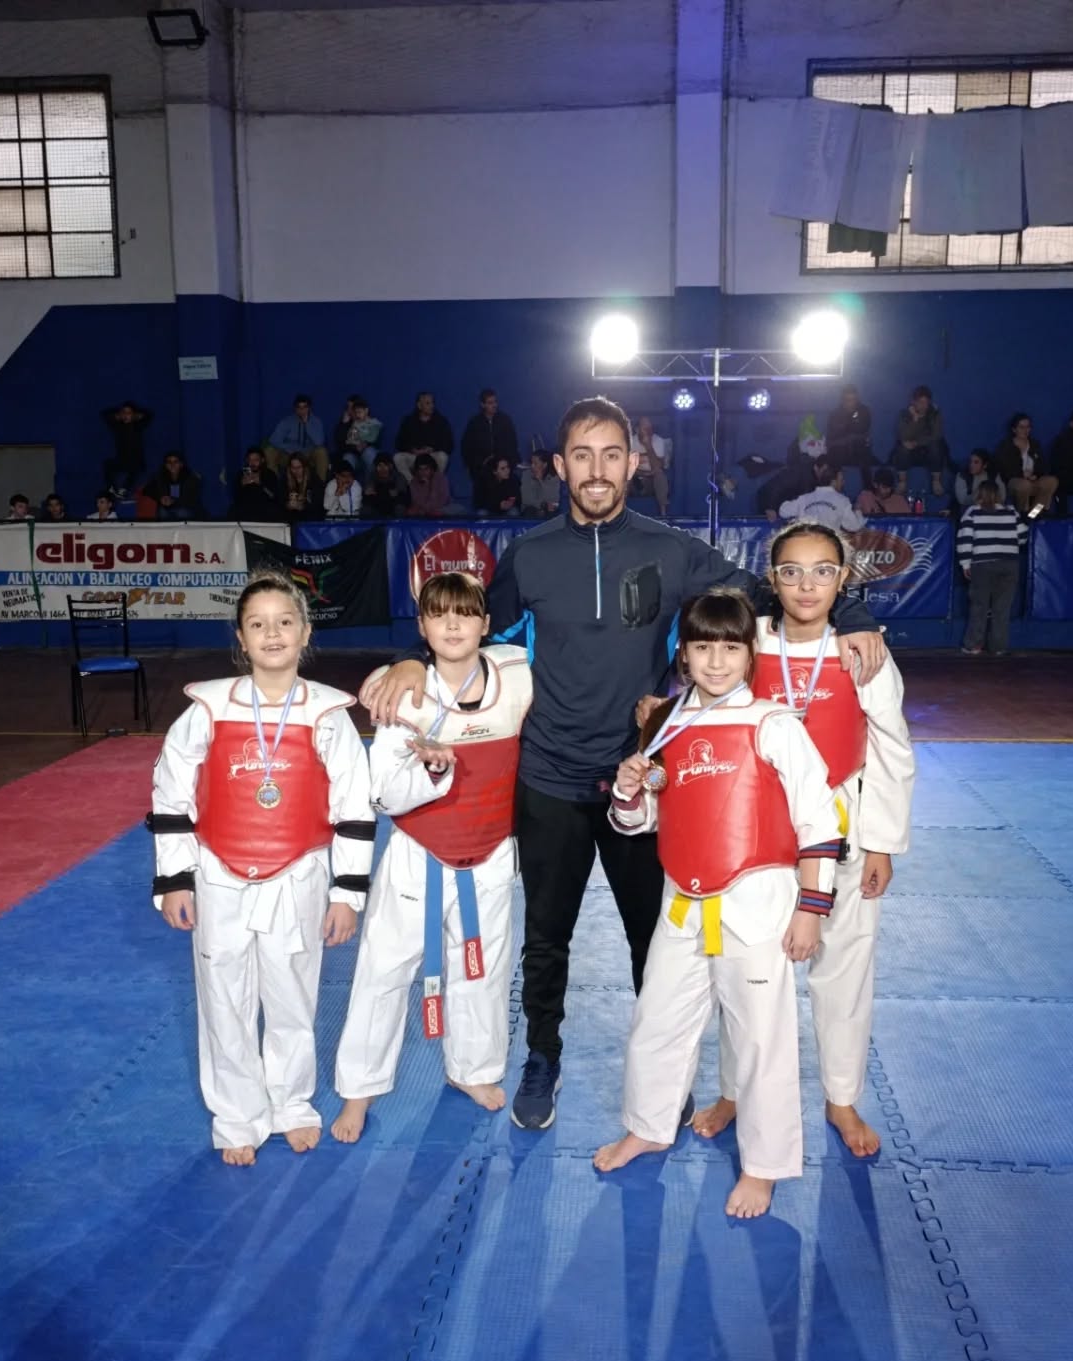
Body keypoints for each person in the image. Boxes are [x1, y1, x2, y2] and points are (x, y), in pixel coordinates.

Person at [361, 396, 887, 1131]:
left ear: (634, 463)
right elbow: (466, 630)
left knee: (655, 939)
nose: (597, 470)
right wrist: (412, 661)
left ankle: (664, 1075)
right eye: (582, 456)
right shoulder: (531, 555)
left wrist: (854, 615)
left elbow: (772, 590)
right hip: (549, 777)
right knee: (546, 938)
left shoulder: (672, 550)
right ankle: (542, 1056)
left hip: (643, 779)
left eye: (612, 454)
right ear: (559, 465)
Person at [593, 589, 843, 1218]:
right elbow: (641, 822)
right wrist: (628, 793)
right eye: (702, 647)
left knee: (760, 1038)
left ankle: (764, 1165)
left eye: (730, 648)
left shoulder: (773, 724)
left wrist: (811, 909)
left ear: (750, 654)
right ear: (683, 654)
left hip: (757, 902)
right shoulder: (667, 723)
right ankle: (649, 1125)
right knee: (657, 1020)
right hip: (682, 899)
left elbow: (820, 820)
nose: (715, 661)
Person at [692, 522, 915, 1162]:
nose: (807, 585)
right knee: (746, 966)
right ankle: (734, 1089)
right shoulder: (749, 641)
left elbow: (893, 749)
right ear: (772, 580)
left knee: (845, 966)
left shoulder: (861, 651)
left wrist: (881, 843)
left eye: (823, 572)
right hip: (759, 825)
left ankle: (841, 1097)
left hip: (843, 823)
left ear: (843, 580)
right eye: (791, 571)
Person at [148, 570, 374, 1165]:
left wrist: (347, 892)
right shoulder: (207, 709)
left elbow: (354, 806)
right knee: (223, 999)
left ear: (305, 633)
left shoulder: (328, 714)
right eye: (258, 624)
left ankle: (292, 1106)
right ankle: (237, 1116)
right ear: (241, 639)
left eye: (285, 622)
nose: (272, 634)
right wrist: (175, 880)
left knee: (293, 997)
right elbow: (171, 793)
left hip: (299, 874)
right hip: (217, 873)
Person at [333, 572, 533, 1142]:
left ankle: (473, 1069)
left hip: (491, 850)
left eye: (465, 613)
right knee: (383, 970)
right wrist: (432, 769)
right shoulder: (398, 693)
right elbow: (383, 794)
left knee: (483, 969)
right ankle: (359, 1089)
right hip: (418, 854)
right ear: (420, 627)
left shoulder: (517, 676)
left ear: (486, 624)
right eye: (438, 614)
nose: (452, 625)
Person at [958, 478, 1029, 655]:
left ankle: (974, 645)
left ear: (979, 494)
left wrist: (965, 564)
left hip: (982, 564)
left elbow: (965, 539)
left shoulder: (972, 512)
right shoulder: (1011, 512)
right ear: (999, 495)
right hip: (1009, 564)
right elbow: (1023, 537)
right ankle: (998, 647)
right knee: (1002, 609)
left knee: (979, 607)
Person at [461, 389, 521, 507]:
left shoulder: (505, 421)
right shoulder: (474, 423)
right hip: (482, 466)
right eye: (490, 403)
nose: (494, 405)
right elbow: (467, 447)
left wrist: (504, 461)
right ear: (482, 404)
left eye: (495, 402)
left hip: (503, 464)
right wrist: (479, 462)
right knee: (482, 507)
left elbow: (512, 444)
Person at [994, 413, 1059, 517]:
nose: (1025, 430)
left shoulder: (1034, 444)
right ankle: (1022, 514)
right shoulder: (1006, 446)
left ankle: (1034, 514)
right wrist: (1022, 474)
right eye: (1021, 427)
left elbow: (1043, 466)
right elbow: (1004, 469)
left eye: (1028, 427)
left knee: (1051, 481)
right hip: (1014, 482)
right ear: (1014, 429)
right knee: (1024, 485)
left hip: (1033, 480)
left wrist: (1036, 475)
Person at [891, 385, 947, 500]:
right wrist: (915, 419)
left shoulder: (934, 413)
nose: (924, 406)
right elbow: (903, 436)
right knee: (902, 448)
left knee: (936, 446)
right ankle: (902, 482)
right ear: (913, 402)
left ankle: (936, 481)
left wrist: (917, 442)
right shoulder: (904, 414)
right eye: (920, 402)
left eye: (926, 402)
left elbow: (936, 435)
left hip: (927, 450)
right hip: (911, 452)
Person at [778, 463, 864, 531]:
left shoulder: (804, 498)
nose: (843, 482)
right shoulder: (842, 500)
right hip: (828, 545)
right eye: (841, 480)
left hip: (806, 544)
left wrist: (797, 505)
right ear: (833, 482)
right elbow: (854, 526)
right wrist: (858, 510)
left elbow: (783, 511)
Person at [394, 392, 454, 485]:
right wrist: (412, 450)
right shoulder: (408, 421)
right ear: (419, 405)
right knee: (398, 458)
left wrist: (432, 449)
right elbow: (399, 442)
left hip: (431, 456)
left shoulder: (441, 421)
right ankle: (413, 485)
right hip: (414, 456)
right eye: (428, 403)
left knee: (442, 457)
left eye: (432, 403)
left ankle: (434, 484)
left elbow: (448, 443)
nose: (432, 406)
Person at [267, 395, 328, 486]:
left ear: (309, 408)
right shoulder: (287, 421)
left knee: (321, 452)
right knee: (270, 451)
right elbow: (273, 440)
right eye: (299, 407)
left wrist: (307, 424)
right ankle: (275, 485)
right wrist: (289, 448)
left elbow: (319, 442)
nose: (302, 410)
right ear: (295, 409)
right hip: (289, 454)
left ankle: (320, 486)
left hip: (308, 455)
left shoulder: (316, 422)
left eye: (305, 407)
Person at [825, 385, 874, 490]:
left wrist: (849, 429)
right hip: (841, 450)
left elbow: (862, 428)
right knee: (834, 454)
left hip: (858, 449)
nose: (851, 403)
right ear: (843, 400)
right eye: (848, 400)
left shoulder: (864, 411)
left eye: (854, 400)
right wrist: (850, 426)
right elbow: (835, 434)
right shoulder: (835, 414)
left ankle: (868, 491)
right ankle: (835, 491)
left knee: (864, 451)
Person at [102, 400, 152, 499]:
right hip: (122, 460)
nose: (126, 415)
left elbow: (149, 414)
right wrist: (117, 414)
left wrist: (138, 416)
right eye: (124, 413)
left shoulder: (138, 426)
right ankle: (111, 489)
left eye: (129, 413)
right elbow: (104, 414)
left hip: (136, 461)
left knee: (136, 468)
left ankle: (123, 490)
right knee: (107, 464)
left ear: (134, 414)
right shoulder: (117, 426)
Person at [141, 452, 204, 520]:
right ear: (165, 465)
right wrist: (160, 498)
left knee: (181, 513)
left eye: (175, 462)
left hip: (185, 508)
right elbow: (146, 490)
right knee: (162, 512)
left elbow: (191, 499)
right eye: (169, 462)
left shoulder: (190, 477)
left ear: (181, 464)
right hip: (167, 508)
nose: (172, 465)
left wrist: (174, 501)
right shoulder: (160, 476)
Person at [630, 415, 671, 517]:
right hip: (635, 476)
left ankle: (663, 512)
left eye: (650, 426)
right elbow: (626, 466)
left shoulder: (658, 441)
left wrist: (648, 446)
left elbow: (658, 467)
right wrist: (641, 473)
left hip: (652, 478)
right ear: (637, 429)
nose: (648, 429)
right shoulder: (630, 442)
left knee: (660, 476)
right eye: (644, 426)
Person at [333, 396, 383, 477]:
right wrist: (344, 424)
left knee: (369, 453)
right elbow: (341, 444)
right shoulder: (346, 424)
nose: (350, 411)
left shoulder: (372, 423)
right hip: (353, 455)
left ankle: (370, 484)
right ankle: (348, 484)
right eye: (348, 408)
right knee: (348, 458)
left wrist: (365, 444)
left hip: (367, 453)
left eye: (352, 408)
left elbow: (375, 440)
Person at [232, 448, 283, 524]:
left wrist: (260, 484)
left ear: (262, 460)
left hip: (264, 510)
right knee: (233, 510)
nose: (252, 463)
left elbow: (273, 496)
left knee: (273, 510)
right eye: (250, 460)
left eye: (256, 460)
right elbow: (236, 498)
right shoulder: (241, 474)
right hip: (246, 510)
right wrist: (242, 485)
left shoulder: (269, 474)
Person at [362, 454, 408, 518]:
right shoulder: (371, 477)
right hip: (376, 508)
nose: (382, 469)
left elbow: (403, 494)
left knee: (400, 507)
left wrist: (397, 492)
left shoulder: (399, 477)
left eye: (385, 465)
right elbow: (368, 492)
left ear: (391, 466)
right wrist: (367, 492)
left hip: (393, 508)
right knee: (366, 509)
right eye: (379, 465)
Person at [520, 448, 562, 518]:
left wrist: (541, 481)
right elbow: (526, 499)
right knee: (530, 511)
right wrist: (542, 505)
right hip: (531, 508)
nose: (532, 466)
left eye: (535, 463)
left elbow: (553, 498)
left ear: (544, 465)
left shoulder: (553, 477)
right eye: (531, 463)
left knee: (553, 513)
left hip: (548, 509)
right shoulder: (526, 475)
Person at [282, 451, 323, 521]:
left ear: (305, 467)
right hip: (290, 517)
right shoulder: (284, 479)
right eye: (293, 468)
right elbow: (280, 499)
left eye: (299, 467)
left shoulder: (314, 479)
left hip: (309, 516)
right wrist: (288, 505)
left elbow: (317, 503)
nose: (296, 471)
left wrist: (302, 506)